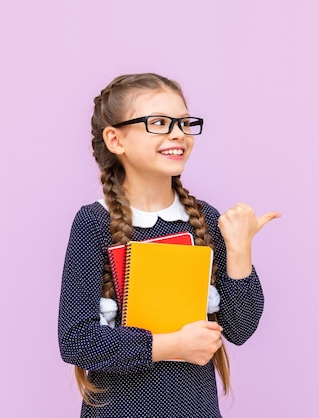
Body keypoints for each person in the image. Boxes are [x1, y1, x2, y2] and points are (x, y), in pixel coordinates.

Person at [58, 73, 279, 417]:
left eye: (183, 123)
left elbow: (240, 328)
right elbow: (76, 340)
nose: (178, 134)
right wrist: (172, 345)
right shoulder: (94, 223)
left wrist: (239, 250)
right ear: (116, 140)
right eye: (159, 122)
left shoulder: (204, 218)